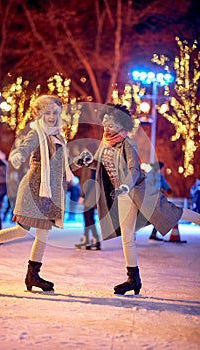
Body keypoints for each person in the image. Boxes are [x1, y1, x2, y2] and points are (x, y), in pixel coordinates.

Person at [76, 103, 200, 295]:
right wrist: (87, 162)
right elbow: (100, 165)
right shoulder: (105, 143)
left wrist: (126, 184)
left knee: (172, 212)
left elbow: (134, 169)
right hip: (124, 195)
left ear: (121, 124)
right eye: (105, 123)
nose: (107, 128)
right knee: (127, 235)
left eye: (111, 124)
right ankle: (133, 278)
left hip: (141, 191)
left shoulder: (127, 143)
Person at [0, 95, 74, 293]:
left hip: (50, 193)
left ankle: (32, 275)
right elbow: (24, 147)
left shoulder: (59, 136)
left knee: (42, 234)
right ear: (40, 114)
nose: (52, 116)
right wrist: (17, 156)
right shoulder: (37, 132)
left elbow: (59, 165)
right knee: (22, 230)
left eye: (55, 112)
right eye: (47, 112)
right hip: (35, 189)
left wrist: (79, 162)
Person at [75, 169, 101, 250]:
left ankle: (95, 240)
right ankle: (86, 239)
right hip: (91, 194)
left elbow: (89, 181)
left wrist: (82, 195)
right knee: (87, 217)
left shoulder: (90, 165)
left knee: (89, 217)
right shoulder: (89, 164)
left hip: (90, 195)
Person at [146, 161, 172, 241]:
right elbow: (166, 186)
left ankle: (133, 232)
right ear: (160, 168)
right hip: (153, 199)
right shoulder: (156, 176)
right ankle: (153, 233)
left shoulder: (149, 175)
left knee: (154, 217)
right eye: (163, 168)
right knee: (158, 216)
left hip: (149, 199)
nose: (163, 170)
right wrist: (168, 190)